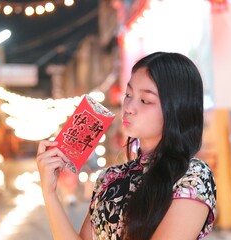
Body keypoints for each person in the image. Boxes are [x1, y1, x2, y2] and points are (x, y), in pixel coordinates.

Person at [36, 52, 217, 240]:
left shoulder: (192, 176)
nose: (129, 106)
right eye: (128, 94)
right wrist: (49, 193)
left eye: (145, 100)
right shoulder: (110, 178)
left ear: (177, 108)